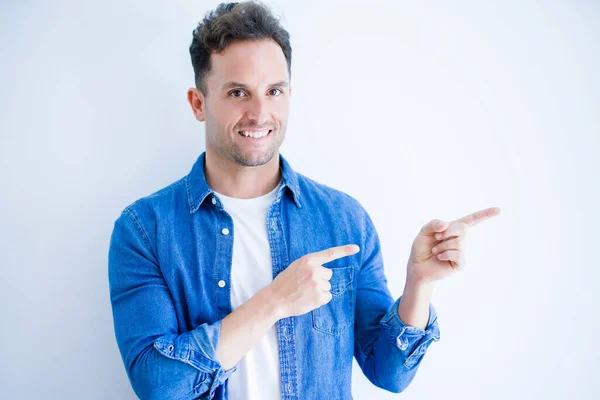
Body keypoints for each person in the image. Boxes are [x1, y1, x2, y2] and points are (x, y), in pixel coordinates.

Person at [108, 2, 501, 399]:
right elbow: (158, 385)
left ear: (289, 96)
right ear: (198, 103)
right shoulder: (145, 229)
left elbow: (389, 373)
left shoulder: (344, 219)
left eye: (274, 91)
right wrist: (274, 301)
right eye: (238, 92)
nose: (259, 113)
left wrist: (419, 285)